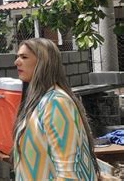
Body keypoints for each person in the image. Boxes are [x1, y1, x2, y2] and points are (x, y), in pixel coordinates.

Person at [12, 38, 100, 180]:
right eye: (17, 57)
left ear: (43, 62)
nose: (16, 62)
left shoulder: (56, 103)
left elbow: (69, 173)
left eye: (24, 57)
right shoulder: (40, 100)